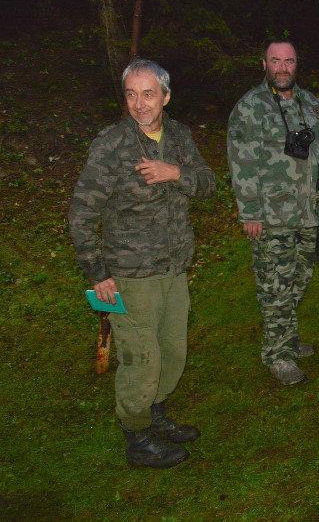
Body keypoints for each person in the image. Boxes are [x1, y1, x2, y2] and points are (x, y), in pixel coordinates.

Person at [68, 59, 216, 468]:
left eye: (148, 94)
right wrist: (97, 273)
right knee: (141, 359)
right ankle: (137, 437)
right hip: (130, 274)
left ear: (165, 97)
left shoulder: (180, 136)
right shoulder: (112, 144)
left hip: (173, 267)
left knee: (172, 352)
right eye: (131, 94)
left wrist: (175, 173)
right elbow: (81, 212)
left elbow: (208, 184)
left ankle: (155, 412)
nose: (139, 104)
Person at [228, 39, 319, 386]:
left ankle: (287, 339)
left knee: (299, 279)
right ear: (264, 64)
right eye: (275, 61)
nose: (282, 68)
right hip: (272, 215)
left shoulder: (312, 104)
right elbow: (242, 163)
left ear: (296, 64)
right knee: (275, 284)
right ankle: (277, 355)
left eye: (289, 61)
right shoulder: (250, 108)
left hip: (308, 212)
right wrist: (250, 213)